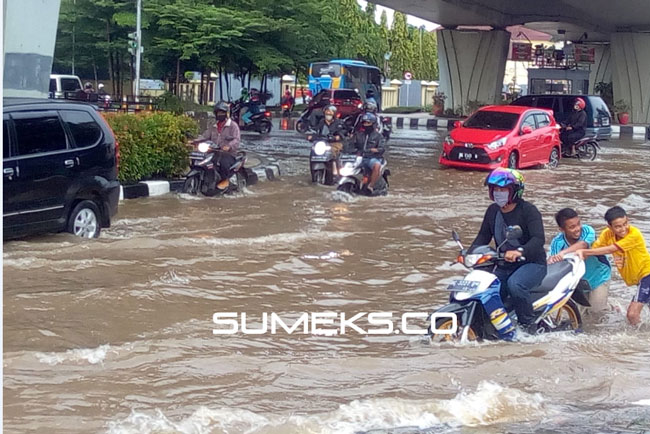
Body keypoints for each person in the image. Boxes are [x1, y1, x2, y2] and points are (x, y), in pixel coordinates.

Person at [470, 168, 547, 333]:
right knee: (483, 288)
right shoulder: (492, 211)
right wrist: (469, 254)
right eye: (495, 190)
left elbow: (538, 239)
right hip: (504, 264)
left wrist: (520, 251)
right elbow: (483, 237)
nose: (498, 193)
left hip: (533, 263)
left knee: (515, 284)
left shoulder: (528, 210)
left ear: (514, 191)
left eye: (503, 189)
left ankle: (528, 328)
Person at [576, 206, 650, 326]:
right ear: (610, 227)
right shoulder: (607, 234)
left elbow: (611, 249)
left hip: (647, 275)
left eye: (625, 224)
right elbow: (597, 248)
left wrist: (584, 252)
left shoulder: (634, 234)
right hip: (639, 279)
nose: (623, 229)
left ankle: (637, 338)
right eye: (618, 226)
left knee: (632, 314)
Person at [548, 208, 612, 313]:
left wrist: (563, 253)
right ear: (562, 229)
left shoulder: (588, 230)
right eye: (572, 227)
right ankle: (608, 306)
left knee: (596, 312)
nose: (577, 228)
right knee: (583, 315)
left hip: (599, 276)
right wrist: (551, 259)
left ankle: (611, 309)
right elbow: (552, 263)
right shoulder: (557, 242)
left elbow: (583, 245)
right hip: (579, 282)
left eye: (578, 224)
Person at [195, 101, 241, 182]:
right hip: (214, 152)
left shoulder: (233, 126)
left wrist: (228, 146)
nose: (220, 114)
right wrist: (194, 141)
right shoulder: (213, 126)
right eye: (218, 113)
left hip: (228, 154)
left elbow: (236, 140)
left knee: (223, 164)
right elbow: (205, 136)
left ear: (226, 113)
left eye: (222, 112)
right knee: (202, 161)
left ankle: (225, 181)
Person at [349, 113, 385, 194]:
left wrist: (373, 150)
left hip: (371, 158)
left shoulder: (378, 136)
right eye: (364, 123)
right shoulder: (358, 135)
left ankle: (370, 186)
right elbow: (350, 145)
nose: (366, 125)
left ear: (373, 124)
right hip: (359, 158)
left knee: (377, 165)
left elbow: (382, 149)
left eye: (368, 123)